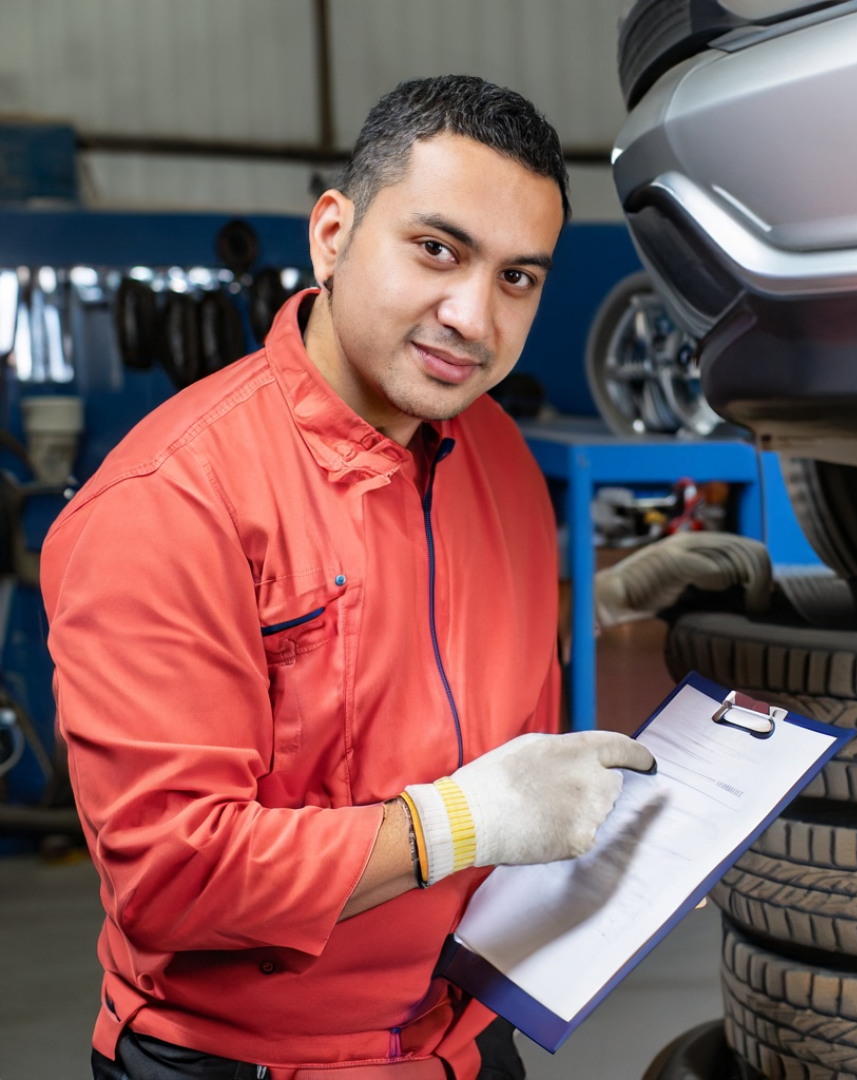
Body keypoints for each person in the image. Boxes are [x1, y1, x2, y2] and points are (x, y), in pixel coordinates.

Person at [41, 75, 655, 1080]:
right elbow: (172, 874)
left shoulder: (492, 448)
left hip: (464, 1035)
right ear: (332, 234)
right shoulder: (170, 502)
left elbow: (436, 669)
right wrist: (463, 825)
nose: (472, 315)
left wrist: (601, 604)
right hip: (251, 1061)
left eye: (517, 279)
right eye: (437, 249)